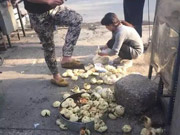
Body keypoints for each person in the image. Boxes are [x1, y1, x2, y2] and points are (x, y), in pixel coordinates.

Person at [23, 0, 84, 87]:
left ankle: (67, 57)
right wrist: (47, 1)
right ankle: (56, 76)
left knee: (76, 19)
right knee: (48, 46)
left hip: (54, 9)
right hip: (37, 15)